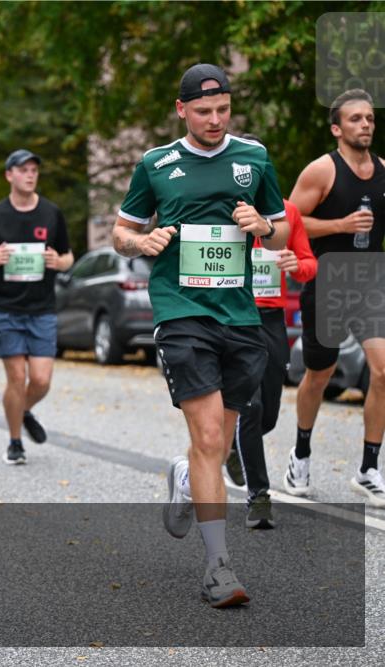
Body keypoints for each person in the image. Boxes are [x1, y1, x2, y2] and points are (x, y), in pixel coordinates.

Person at [112, 63, 289, 607]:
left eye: (223, 110)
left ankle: (187, 476)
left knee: (213, 440)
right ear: (181, 108)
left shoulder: (254, 157)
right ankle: (219, 567)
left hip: (240, 316)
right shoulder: (156, 164)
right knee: (212, 439)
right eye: (204, 111)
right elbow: (122, 230)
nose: (215, 120)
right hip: (181, 311)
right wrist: (140, 244)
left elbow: (281, 225)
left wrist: (263, 227)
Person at [283, 89, 385, 506]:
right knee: (320, 375)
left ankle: (368, 468)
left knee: (383, 372)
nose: (365, 124)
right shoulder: (321, 171)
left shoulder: (383, 171)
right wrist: (341, 224)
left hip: (369, 283)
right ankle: (300, 454)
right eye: (356, 119)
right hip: (326, 284)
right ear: (336, 128)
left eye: (369, 118)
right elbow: (288, 222)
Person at [218, 135, 318, 529]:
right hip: (236, 315)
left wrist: (297, 264)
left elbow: (309, 264)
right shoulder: (222, 207)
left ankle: (231, 447)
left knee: (268, 415)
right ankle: (259, 497)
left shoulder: (287, 213)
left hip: (273, 321)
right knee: (251, 407)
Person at [0, 148, 74, 465]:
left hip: (42, 308)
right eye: (23, 169)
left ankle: (21, 410)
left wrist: (57, 261)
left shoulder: (51, 213)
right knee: (16, 377)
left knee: (41, 380)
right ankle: (15, 441)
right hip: (4, 308)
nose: (30, 174)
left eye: (34, 169)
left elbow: (68, 257)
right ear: (10, 175)